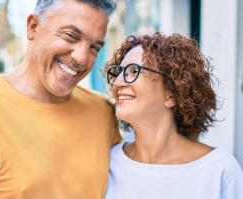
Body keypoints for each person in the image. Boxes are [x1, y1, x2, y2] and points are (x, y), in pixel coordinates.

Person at [0, 0, 122, 198]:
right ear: (33, 27)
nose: (81, 58)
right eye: (71, 36)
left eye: (94, 48)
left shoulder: (104, 111)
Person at [103, 33, 243, 199]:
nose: (118, 83)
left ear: (171, 94)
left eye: (134, 71)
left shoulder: (219, 170)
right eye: (118, 72)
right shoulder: (108, 161)